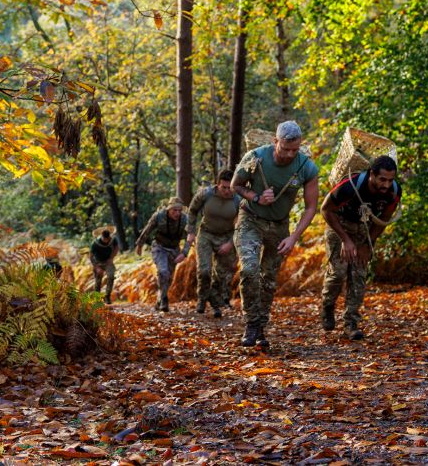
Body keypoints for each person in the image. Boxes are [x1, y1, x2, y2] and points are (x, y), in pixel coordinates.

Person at [232, 120, 319, 348]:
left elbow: (311, 207)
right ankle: (251, 324)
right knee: (250, 270)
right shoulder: (256, 157)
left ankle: (261, 327)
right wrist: (256, 197)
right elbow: (236, 185)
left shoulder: (306, 167)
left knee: (268, 280)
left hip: (280, 226)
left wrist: (293, 237)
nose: (290, 154)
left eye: (295, 149)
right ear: (275, 142)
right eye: (285, 148)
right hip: (250, 219)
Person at [320, 155, 401, 340]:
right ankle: (328, 304)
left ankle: (351, 324)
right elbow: (326, 209)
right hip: (339, 225)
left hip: (364, 229)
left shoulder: (394, 191)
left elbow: (384, 220)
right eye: (382, 179)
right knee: (338, 273)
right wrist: (345, 240)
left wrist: (368, 244)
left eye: (390, 180)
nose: (386, 185)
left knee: (358, 275)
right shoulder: (351, 185)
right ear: (372, 174)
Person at [186, 169, 240, 318]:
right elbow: (192, 210)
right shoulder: (206, 194)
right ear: (218, 184)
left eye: (230, 187)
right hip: (206, 234)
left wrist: (230, 243)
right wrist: (190, 231)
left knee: (222, 276)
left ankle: (215, 302)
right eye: (224, 187)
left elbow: (243, 224)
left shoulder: (238, 199)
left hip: (226, 237)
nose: (227, 191)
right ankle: (202, 298)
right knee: (204, 271)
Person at [135, 197, 191, 313]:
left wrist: (184, 253)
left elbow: (190, 237)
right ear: (169, 209)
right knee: (163, 271)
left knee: (169, 278)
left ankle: (160, 299)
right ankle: (164, 300)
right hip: (159, 248)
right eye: (174, 210)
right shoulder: (159, 216)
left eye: (179, 210)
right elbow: (148, 229)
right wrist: (139, 244)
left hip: (174, 250)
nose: (177, 213)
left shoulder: (185, 219)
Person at [89, 226, 118, 304]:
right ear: (101, 237)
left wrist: (111, 258)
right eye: (104, 239)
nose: (106, 241)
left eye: (107, 239)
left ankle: (107, 296)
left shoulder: (113, 240)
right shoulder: (95, 243)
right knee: (98, 280)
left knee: (111, 277)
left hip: (108, 261)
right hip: (97, 262)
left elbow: (116, 248)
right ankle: (97, 298)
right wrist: (97, 267)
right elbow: (91, 256)